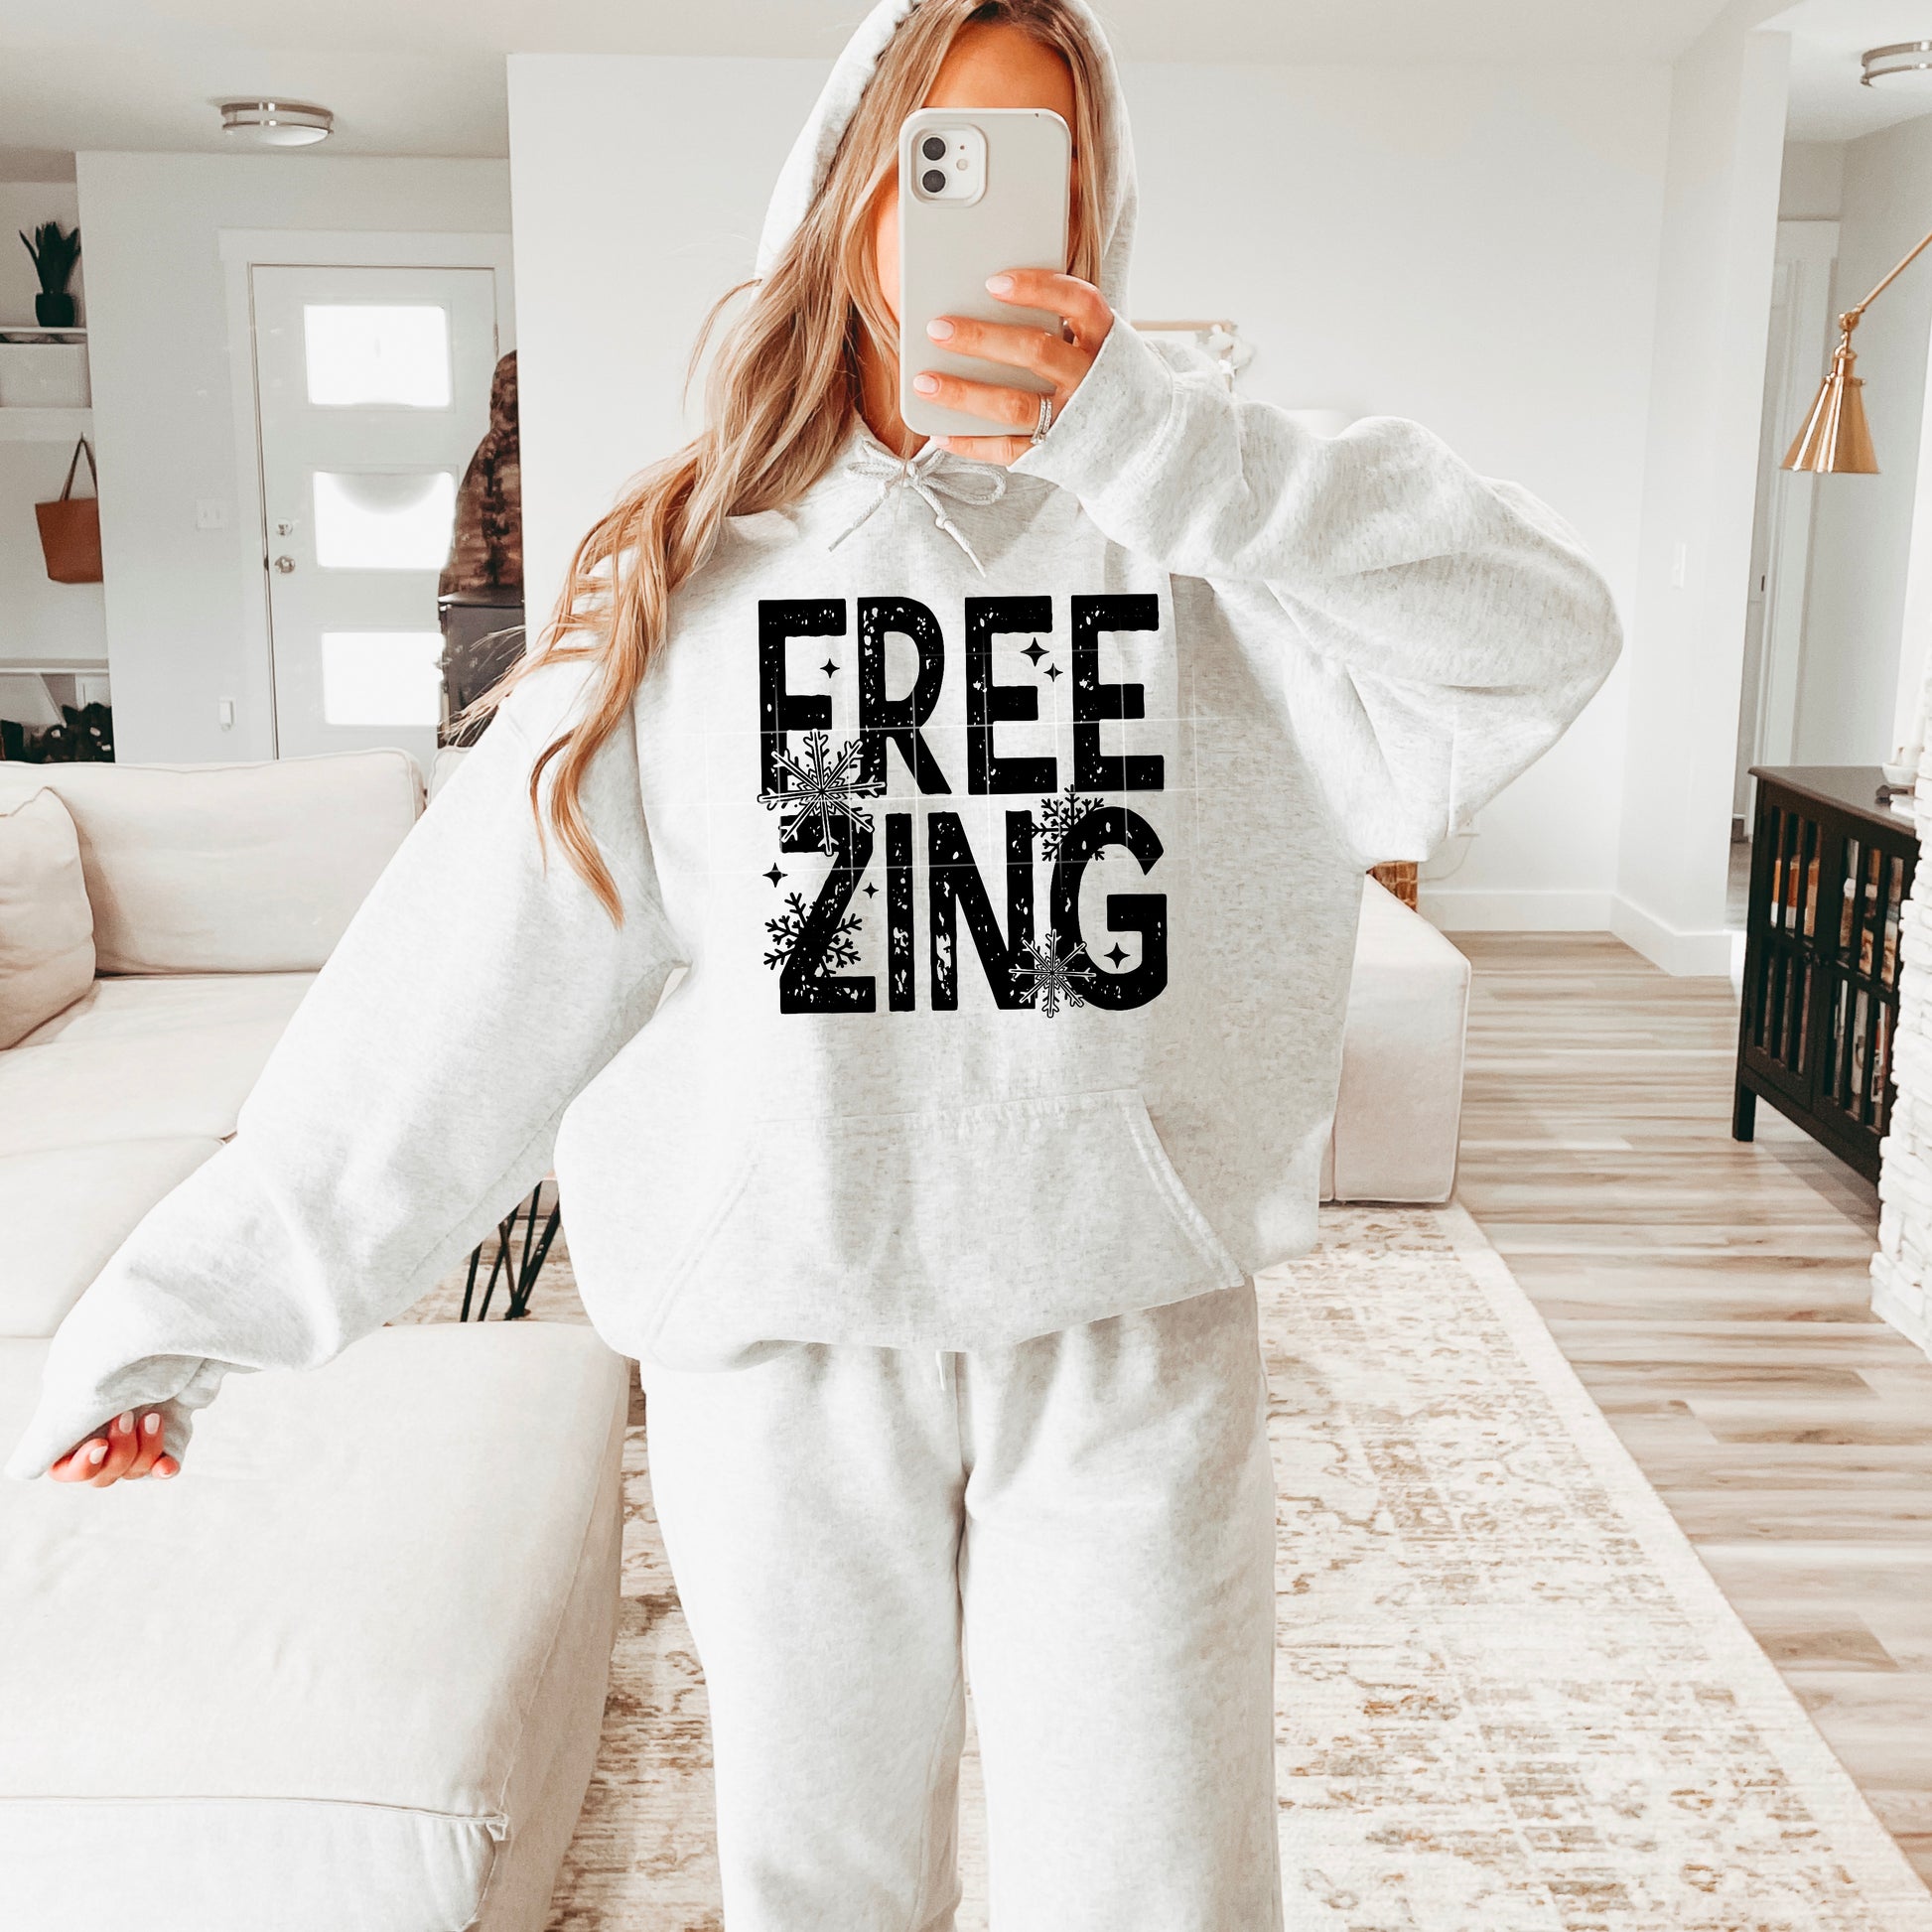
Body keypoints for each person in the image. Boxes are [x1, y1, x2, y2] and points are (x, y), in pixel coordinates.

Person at [8, 1, 1622, 1924]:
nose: (990, 226)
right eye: (942, 169)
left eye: (1043, 176)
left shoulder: (1196, 538)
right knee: (826, 1894)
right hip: (783, 1360)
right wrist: (186, 1311)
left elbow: (1546, 633)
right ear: (850, 200)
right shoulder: (686, 584)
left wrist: (1168, 450)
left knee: (1160, 1889)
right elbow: (451, 991)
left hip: (1124, 1337)